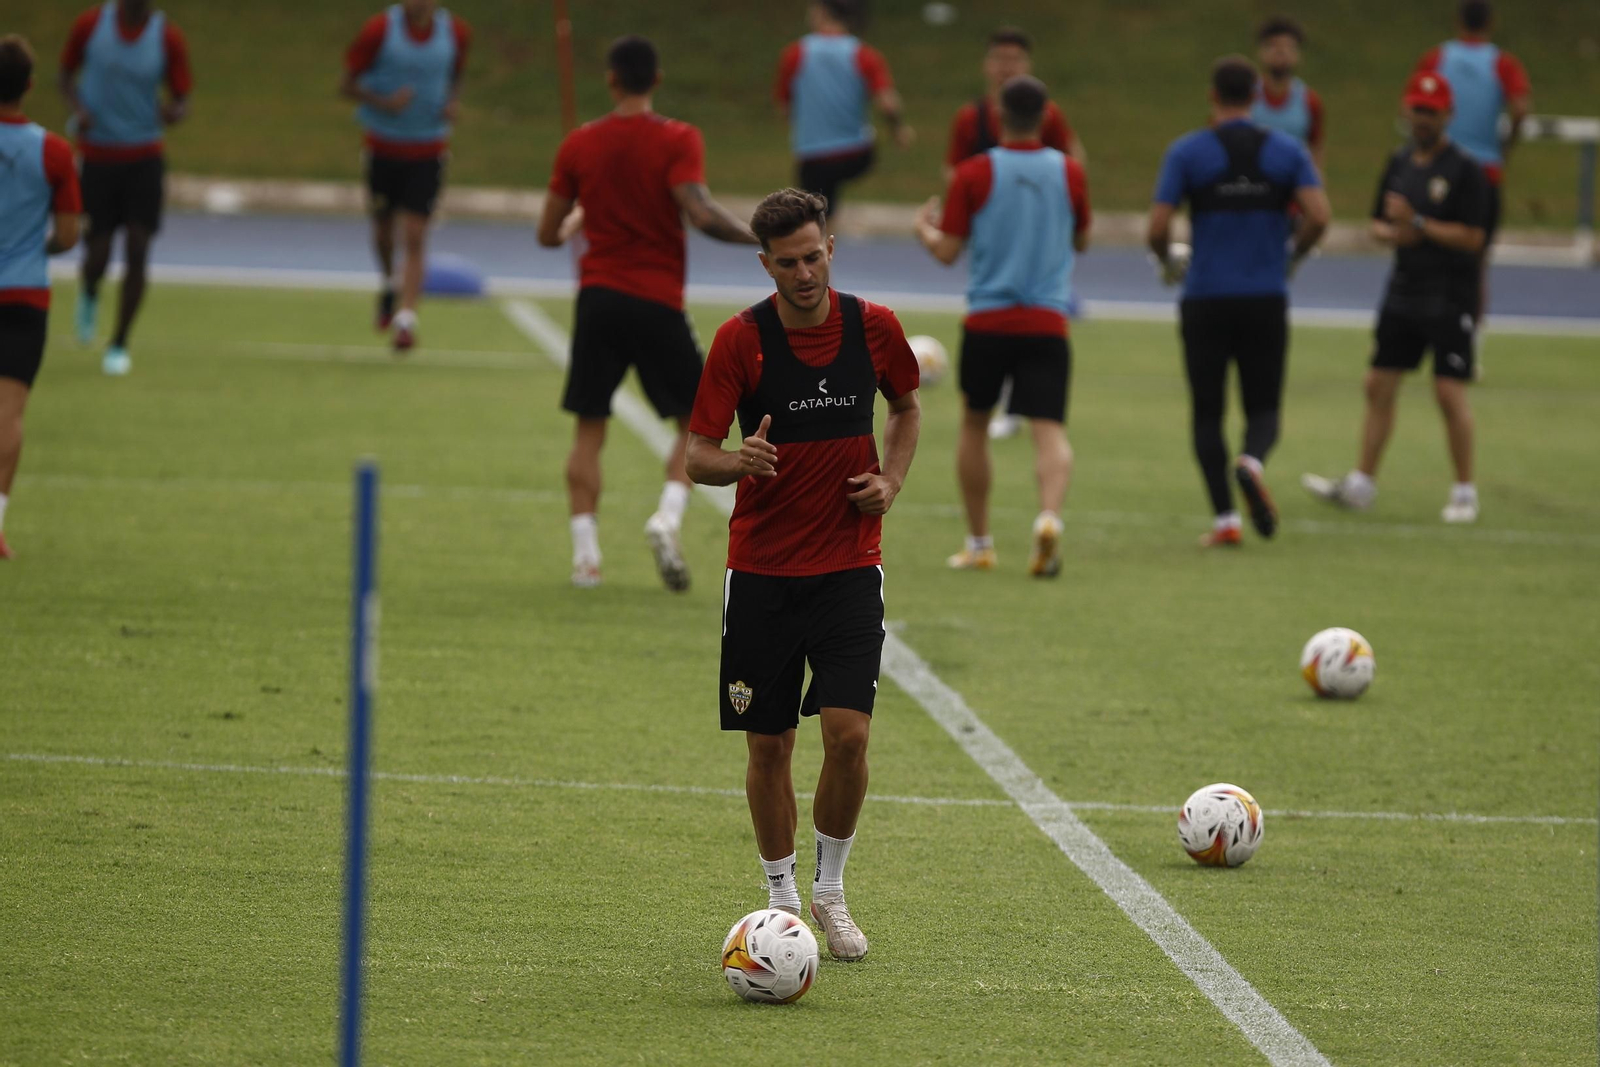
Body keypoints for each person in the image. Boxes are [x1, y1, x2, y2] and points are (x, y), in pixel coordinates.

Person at [684, 188, 920, 961]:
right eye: (788, 263)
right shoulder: (739, 342)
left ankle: (832, 891)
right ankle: (781, 895)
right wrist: (736, 461)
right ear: (766, 265)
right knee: (768, 747)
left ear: (830, 249)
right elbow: (696, 453)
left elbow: (908, 406)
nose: (805, 272)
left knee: (848, 736)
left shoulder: (874, 327)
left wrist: (890, 479)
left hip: (850, 567)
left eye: (814, 256)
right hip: (760, 575)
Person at [539, 36, 759, 592]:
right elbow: (700, 211)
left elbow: (548, 233)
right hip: (656, 300)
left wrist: (577, 219)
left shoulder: (579, 144)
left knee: (590, 428)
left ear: (611, 80)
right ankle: (666, 516)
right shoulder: (677, 137)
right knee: (695, 425)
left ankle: (585, 559)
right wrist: (763, 237)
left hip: (598, 300)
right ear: (656, 79)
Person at [1148, 56, 1329, 548]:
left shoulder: (1188, 152)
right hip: (1264, 297)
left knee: (1207, 412)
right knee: (1263, 408)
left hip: (1205, 298)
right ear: (1255, 95)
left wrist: (1169, 261)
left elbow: (1158, 227)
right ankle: (1251, 462)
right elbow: (1319, 215)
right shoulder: (1286, 151)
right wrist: (1292, 255)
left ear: (1212, 95)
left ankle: (1226, 519)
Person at [915, 76, 1090, 578]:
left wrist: (922, 231)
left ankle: (979, 543)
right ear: (1046, 115)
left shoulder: (973, 173)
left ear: (997, 112)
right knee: (1049, 432)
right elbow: (1082, 239)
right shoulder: (1070, 173)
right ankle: (1049, 516)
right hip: (1047, 320)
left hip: (988, 320)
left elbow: (947, 251)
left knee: (974, 425)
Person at [1302, 72, 1489, 525]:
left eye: (1432, 111)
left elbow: (1473, 237)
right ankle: (1362, 482)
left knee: (1448, 392)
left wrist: (1420, 225)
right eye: (1417, 110)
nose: (1423, 119)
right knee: (1377, 385)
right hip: (1403, 291)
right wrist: (1395, 232)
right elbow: (1377, 225)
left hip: (1449, 296)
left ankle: (1464, 491)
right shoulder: (1399, 162)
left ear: (1448, 114)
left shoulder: (1465, 170)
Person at [944, 26, 1085, 442]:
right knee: (997, 307)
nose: (1007, 67)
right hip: (990, 225)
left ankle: (1018, 401)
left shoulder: (1048, 115)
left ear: (1027, 66)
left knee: (1028, 311)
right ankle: (1005, 398)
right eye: (1000, 58)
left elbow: (1073, 158)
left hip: (1034, 229)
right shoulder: (971, 117)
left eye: (1015, 60)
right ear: (988, 65)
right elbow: (952, 168)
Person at [58, 0, 190, 376]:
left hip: (144, 155)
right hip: (99, 154)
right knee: (97, 251)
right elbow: (64, 75)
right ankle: (89, 292)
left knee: (138, 244)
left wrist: (173, 112)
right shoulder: (90, 26)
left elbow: (182, 97)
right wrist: (77, 108)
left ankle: (118, 343)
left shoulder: (167, 37)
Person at [342, 0, 471, 353]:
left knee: (415, 232)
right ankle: (389, 284)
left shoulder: (455, 32)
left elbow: (456, 75)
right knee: (384, 231)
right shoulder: (379, 30)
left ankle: (406, 320)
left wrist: (452, 102)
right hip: (383, 147)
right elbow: (347, 84)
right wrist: (384, 102)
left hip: (428, 149)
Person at [0, 35, 83, 559]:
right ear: (30, 86)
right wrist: (36, 247)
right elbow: (71, 234)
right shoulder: (52, 150)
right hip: (25, 296)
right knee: (8, 416)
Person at [1415, 0, 1530, 372]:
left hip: (1440, 171)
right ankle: (1468, 346)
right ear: (1491, 23)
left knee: (1425, 253)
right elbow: (1521, 107)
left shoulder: (1437, 57)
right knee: (1476, 263)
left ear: (1457, 20)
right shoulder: (1502, 63)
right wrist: (1506, 144)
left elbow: (1413, 101)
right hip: (1484, 172)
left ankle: (1418, 340)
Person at [774, 0, 912, 218]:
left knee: (816, 212)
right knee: (830, 196)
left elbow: (785, 108)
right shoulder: (863, 54)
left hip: (813, 155)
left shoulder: (795, 54)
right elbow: (887, 102)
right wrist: (898, 130)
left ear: (821, 12)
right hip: (855, 153)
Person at [1251, 17, 1325, 166]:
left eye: (1288, 47)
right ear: (1261, 52)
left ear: (1298, 54)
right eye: (1274, 46)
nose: (1281, 52)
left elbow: (1316, 148)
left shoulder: (1309, 100)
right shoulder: (1245, 96)